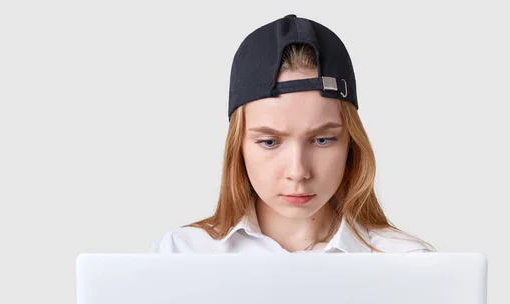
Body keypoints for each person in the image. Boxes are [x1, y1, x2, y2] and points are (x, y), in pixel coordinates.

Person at [150, 14, 436, 254]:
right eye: (270, 142)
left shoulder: (404, 260)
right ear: (239, 147)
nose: (298, 172)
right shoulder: (184, 254)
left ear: (351, 144)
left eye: (323, 140)